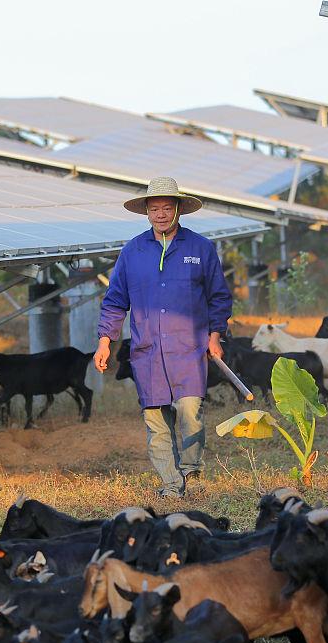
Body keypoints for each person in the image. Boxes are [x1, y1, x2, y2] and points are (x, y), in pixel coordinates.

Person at [92, 177, 232, 499]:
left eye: (167, 208)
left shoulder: (201, 249)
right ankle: (172, 485)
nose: (161, 214)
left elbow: (219, 298)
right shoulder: (133, 252)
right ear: (146, 212)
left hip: (189, 349)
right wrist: (105, 341)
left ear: (179, 209)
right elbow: (115, 301)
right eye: (155, 209)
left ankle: (190, 469)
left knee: (189, 411)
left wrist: (215, 336)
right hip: (148, 352)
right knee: (156, 422)